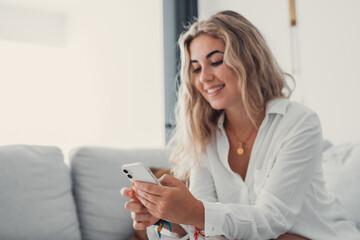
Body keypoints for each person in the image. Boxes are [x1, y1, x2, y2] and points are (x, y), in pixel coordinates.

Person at [121, 10, 360, 239]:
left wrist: (195, 211)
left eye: (215, 62)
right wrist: (167, 218)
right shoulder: (205, 136)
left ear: (250, 61)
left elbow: (272, 218)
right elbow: (206, 229)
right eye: (196, 68)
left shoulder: (299, 123)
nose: (204, 78)